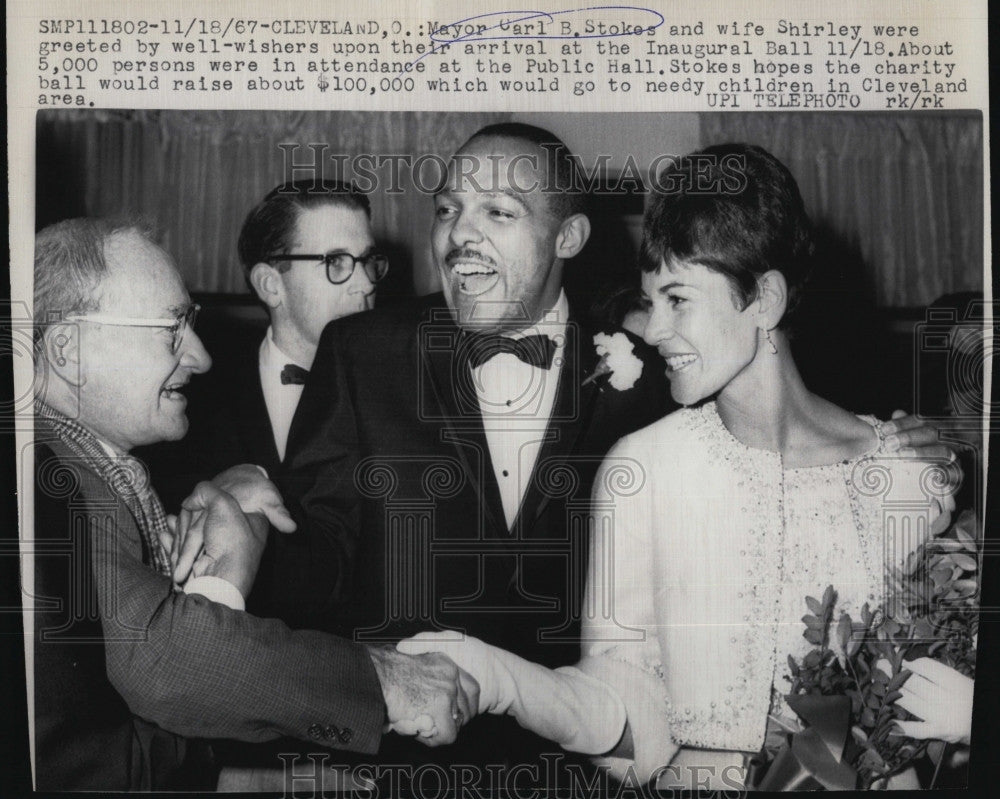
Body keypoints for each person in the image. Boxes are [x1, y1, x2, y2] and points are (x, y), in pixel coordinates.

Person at [397, 144, 966, 790]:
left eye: (676, 298)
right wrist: (498, 677)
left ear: (765, 299)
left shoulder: (911, 472)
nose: (655, 328)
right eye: (649, 300)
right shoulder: (642, 469)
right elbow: (625, 714)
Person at [281, 123, 671, 778]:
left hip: (593, 769)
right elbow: (316, 571)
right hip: (406, 768)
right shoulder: (362, 352)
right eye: (447, 210)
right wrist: (254, 524)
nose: (461, 234)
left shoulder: (651, 376)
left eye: (498, 211)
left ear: (568, 237)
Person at [30, 218, 473, 790]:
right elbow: (165, 668)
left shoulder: (73, 463)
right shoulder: (50, 478)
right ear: (68, 349)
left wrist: (263, 777)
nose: (200, 357)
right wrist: (385, 679)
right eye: (171, 329)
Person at [146, 180, 387, 622]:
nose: (365, 284)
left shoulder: (398, 393)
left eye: (369, 261)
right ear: (271, 285)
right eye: (337, 262)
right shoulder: (185, 402)